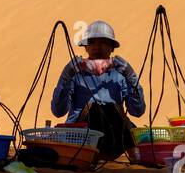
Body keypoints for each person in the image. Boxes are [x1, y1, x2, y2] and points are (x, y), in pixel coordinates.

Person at [50, 20, 145, 158]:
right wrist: (66, 75)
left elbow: (137, 111)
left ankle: (136, 157)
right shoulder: (76, 73)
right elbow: (58, 111)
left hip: (114, 136)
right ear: (86, 48)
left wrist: (130, 75)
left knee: (111, 110)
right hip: (80, 138)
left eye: (103, 42)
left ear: (112, 47)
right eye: (92, 42)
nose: (97, 46)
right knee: (94, 109)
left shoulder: (120, 75)